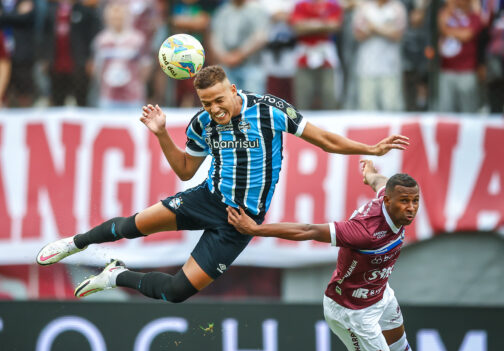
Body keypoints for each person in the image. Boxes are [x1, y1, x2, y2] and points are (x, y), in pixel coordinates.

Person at [36, 65, 409, 303]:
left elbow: (325, 140)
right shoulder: (203, 123)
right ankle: (75, 243)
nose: (214, 109)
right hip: (207, 198)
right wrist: (162, 133)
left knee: (176, 292)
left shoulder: (269, 109)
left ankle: (116, 275)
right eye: (205, 102)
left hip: (239, 221)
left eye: (218, 100)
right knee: (134, 226)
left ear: (233, 90)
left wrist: (370, 147)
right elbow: (185, 170)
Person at [226, 159, 462, 351]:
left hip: (379, 293)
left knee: (400, 344)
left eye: (415, 201)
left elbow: (381, 182)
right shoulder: (365, 231)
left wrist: (370, 173)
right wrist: (255, 229)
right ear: (388, 202)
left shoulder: (388, 198)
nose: (411, 208)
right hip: (351, 309)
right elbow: (307, 230)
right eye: (404, 201)